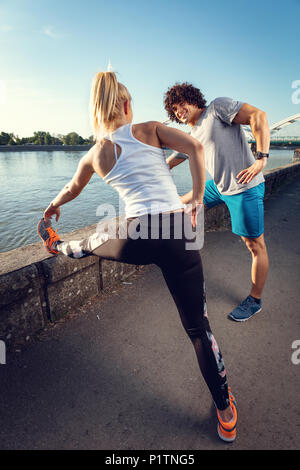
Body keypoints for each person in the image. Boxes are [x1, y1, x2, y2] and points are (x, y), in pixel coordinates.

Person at [37, 71, 237, 442]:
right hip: (177, 234)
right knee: (198, 328)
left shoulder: (96, 153)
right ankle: (225, 412)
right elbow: (195, 148)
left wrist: (51, 208)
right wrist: (194, 198)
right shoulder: (150, 129)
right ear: (127, 105)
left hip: (136, 236)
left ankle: (58, 244)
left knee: (92, 239)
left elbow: (71, 188)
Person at [164, 82, 270, 322]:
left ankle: (255, 300)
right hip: (219, 187)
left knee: (255, 245)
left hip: (243, 187)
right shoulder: (193, 134)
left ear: (193, 99)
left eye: (182, 103)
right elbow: (176, 158)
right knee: (178, 204)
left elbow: (258, 116)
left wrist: (261, 159)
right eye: (175, 109)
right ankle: (172, 259)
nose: (179, 111)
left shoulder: (217, 108)